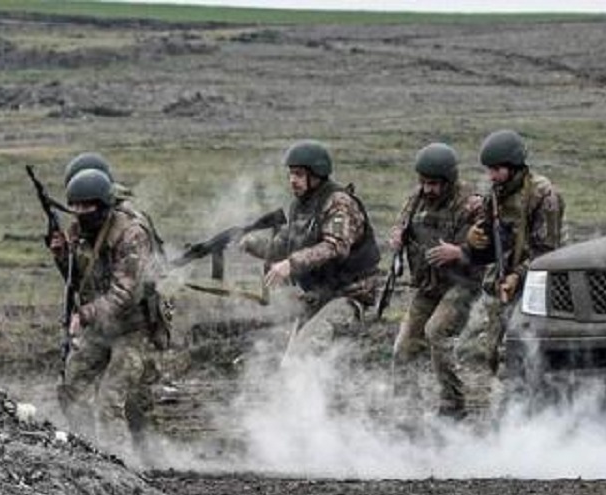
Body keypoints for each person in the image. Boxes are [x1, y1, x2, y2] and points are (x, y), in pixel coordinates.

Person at [47, 168, 169, 457]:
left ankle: (122, 466)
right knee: (71, 386)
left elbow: (124, 294)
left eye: (86, 206)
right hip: (102, 328)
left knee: (109, 401)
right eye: (75, 206)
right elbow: (78, 280)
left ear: (102, 206)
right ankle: (89, 452)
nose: (79, 212)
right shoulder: (77, 231)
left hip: (135, 330)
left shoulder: (131, 234)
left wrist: (85, 315)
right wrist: (62, 255)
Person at [239, 140, 380, 359]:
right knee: (291, 364)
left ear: (316, 175)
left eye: (298, 174)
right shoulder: (300, 206)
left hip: (348, 294)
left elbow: (334, 246)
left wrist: (291, 264)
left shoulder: (339, 203)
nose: (292, 180)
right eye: (290, 174)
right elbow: (284, 246)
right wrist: (249, 243)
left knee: (306, 356)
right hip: (319, 296)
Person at [389, 143, 488, 419]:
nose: (427, 189)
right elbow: (402, 222)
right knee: (404, 346)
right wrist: (397, 235)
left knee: (437, 332)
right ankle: (405, 409)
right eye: (423, 182)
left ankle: (453, 405)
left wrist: (458, 252)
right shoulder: (417, 198)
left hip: (461, 284)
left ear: (448, 180)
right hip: (427, 284)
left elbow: (489, 247)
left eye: (433, 184)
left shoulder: (471, 205)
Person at [465, 129, 564, 372]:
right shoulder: (497, 194)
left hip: (536, 287)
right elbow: (488, 246)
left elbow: (547, 254)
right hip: (502, 285)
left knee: (527, 352)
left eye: (496, 169)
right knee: (494, 355)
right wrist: (474, 240)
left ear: (513, 165)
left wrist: (517, 276)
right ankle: (507, 404)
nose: (491, 176)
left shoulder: (544, 195)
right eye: (489, 169)